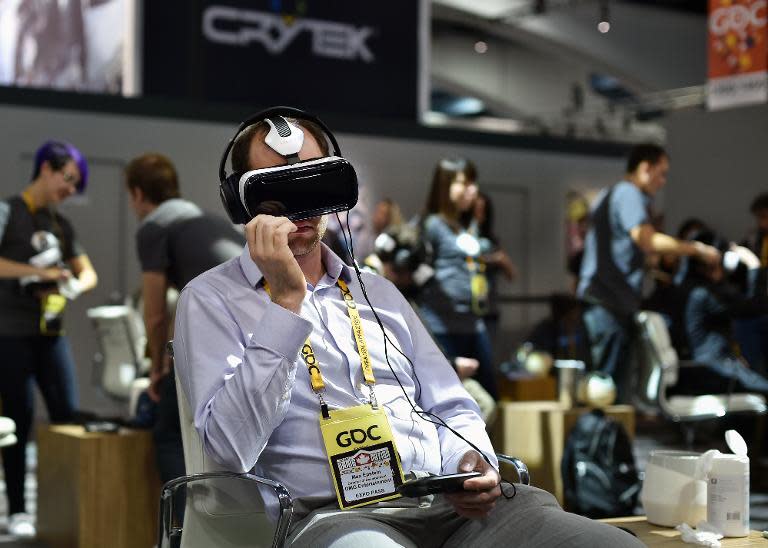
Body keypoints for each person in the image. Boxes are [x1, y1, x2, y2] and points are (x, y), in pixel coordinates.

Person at [173, 111, 643, 548]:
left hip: (452, 505)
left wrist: (470, 460)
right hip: (335, 518)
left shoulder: (378, 292)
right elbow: (230, 449)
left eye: (312, 185)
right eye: (276, 196)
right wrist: (284, 304)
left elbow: (450, 402)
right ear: (240, 204)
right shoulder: (211, 299)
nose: (300, 212)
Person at [124, 153, 245, 485]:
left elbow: (154, 312)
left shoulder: (153, 227)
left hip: (219, 328)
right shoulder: (205, 221)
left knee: (169, 433)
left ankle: (181, 533)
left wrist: (156, 371)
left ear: (136, 194)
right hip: (249, 329)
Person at [0, 140, 98, 537]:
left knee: (65, 415)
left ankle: (63, 511)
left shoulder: (60, 224)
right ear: (46, 168)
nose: (70, 190)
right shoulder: (9, 212)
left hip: (50, 333)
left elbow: (88, 272)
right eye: (68, 179)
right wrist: (38, 274)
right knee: (18, 421)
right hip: (10, 333)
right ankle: (18, 510)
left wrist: (73, 285)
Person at [577, 143, 720, 402]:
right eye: (661, 173)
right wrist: (696, 249)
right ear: (645, 168)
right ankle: (605, 441)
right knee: (607, 394)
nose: (663, 182)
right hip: (609, 304)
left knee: (602, 390)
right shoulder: (628, 193)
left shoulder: (611, 195)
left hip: (604, 302)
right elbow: (647, 240)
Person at [415, 158, 498, 400]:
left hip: (472, 323)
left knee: (488, 396)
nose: (472, 190)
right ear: (446, 185)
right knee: (449, 398)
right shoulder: (432, 225)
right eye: (464, 183)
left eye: (473, 183)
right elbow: (418, 271)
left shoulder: (460, 227)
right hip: (442, 326)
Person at [673, 230, 768, 397]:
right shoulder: (704, 294)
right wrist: (753, 265)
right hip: (709, 371)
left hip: (701, 368)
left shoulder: (684, 288)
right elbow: (754, 307)